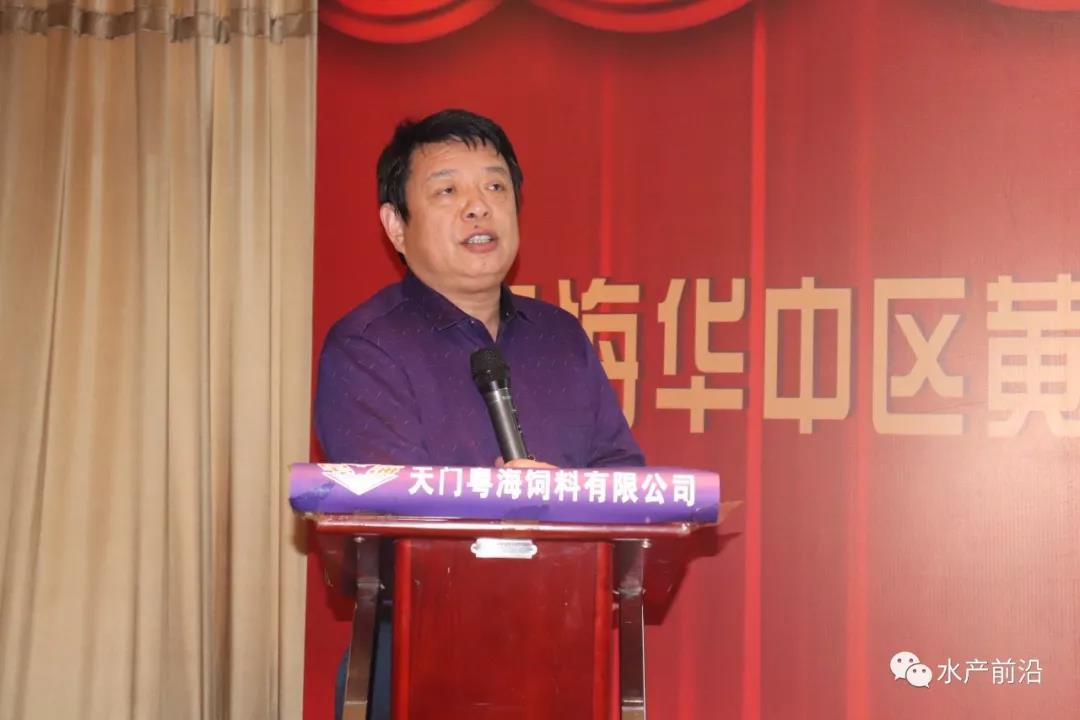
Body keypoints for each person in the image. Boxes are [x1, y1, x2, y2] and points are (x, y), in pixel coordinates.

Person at [314, 108, 644, 720]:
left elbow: (624, 477)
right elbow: (387, 509)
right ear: (396, 225)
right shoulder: (366, 346)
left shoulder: (559, 338)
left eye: (495, 186)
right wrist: (509, 503)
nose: (478, 207)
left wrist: (562, 499)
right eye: (447, 191)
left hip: (562, 657)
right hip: (419, 658)